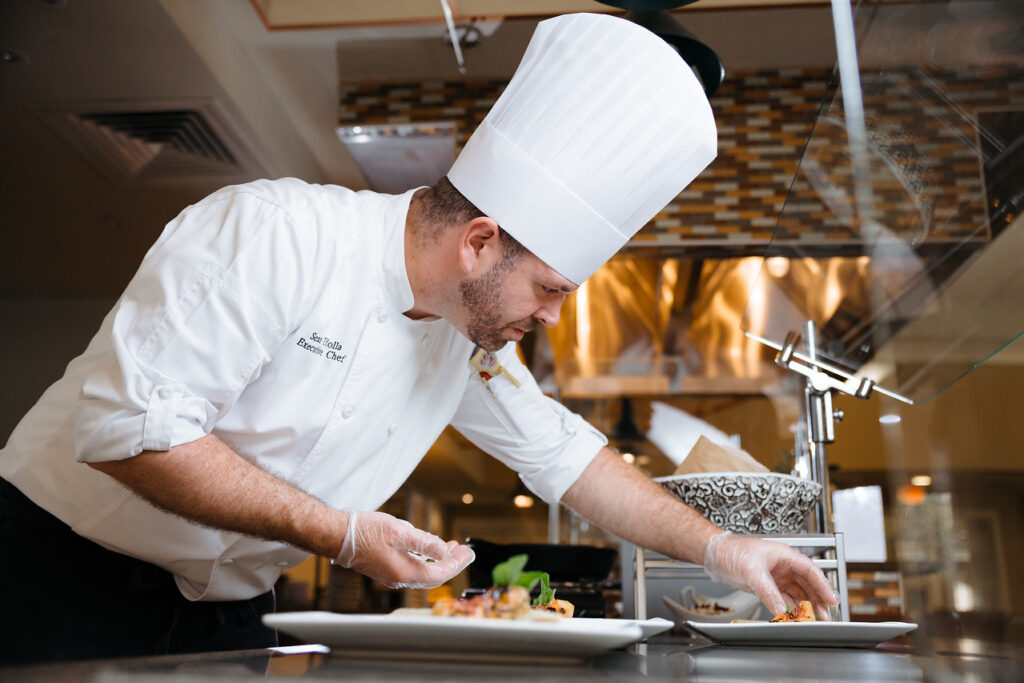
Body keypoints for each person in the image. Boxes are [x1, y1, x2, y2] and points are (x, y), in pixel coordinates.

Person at [0, 13, 835, 664]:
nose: (551, 318)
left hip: (228, 609)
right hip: (58, 568)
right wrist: (342, 533)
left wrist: (729, 548)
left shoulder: (463, 336)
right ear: (478, 241)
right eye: (548, 288)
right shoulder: (276, 232)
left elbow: (569, 457)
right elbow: (131, 430)